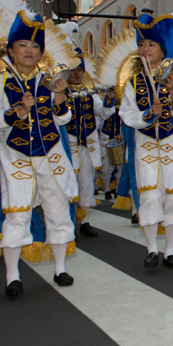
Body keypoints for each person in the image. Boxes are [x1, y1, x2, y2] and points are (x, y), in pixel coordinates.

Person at [0, 9, 80, 296]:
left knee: (58, 209)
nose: (29, 51)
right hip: (16, 157)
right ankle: (12, 276)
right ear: (11, 50)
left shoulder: (49, 80)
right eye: (23, 46)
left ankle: (60, 268)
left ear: (41, 52)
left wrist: (61, 95)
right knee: (17, 213)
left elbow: (63, 119)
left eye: (35, 46)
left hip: (50, 155)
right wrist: (19, 111)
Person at [119, 12, 173, 268]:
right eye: (141, 45)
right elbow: (127, 115)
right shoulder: (133, 82)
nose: (145, 49)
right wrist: (148, 114)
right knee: (150, 197)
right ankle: (152, 249)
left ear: (162, 49)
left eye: (151, 45)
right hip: (146, 148)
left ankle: (171, 251)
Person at [64, 51, 116, 237]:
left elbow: (103, 113)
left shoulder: (90, 93)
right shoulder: (61, 92)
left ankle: (84, 221)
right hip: (68, 144)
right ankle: (68, 223)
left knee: (86, 182)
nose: (77, 74)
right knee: (68, 183)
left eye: (79, 70)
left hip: (88, 143)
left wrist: (109, 99)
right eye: (73, 70)